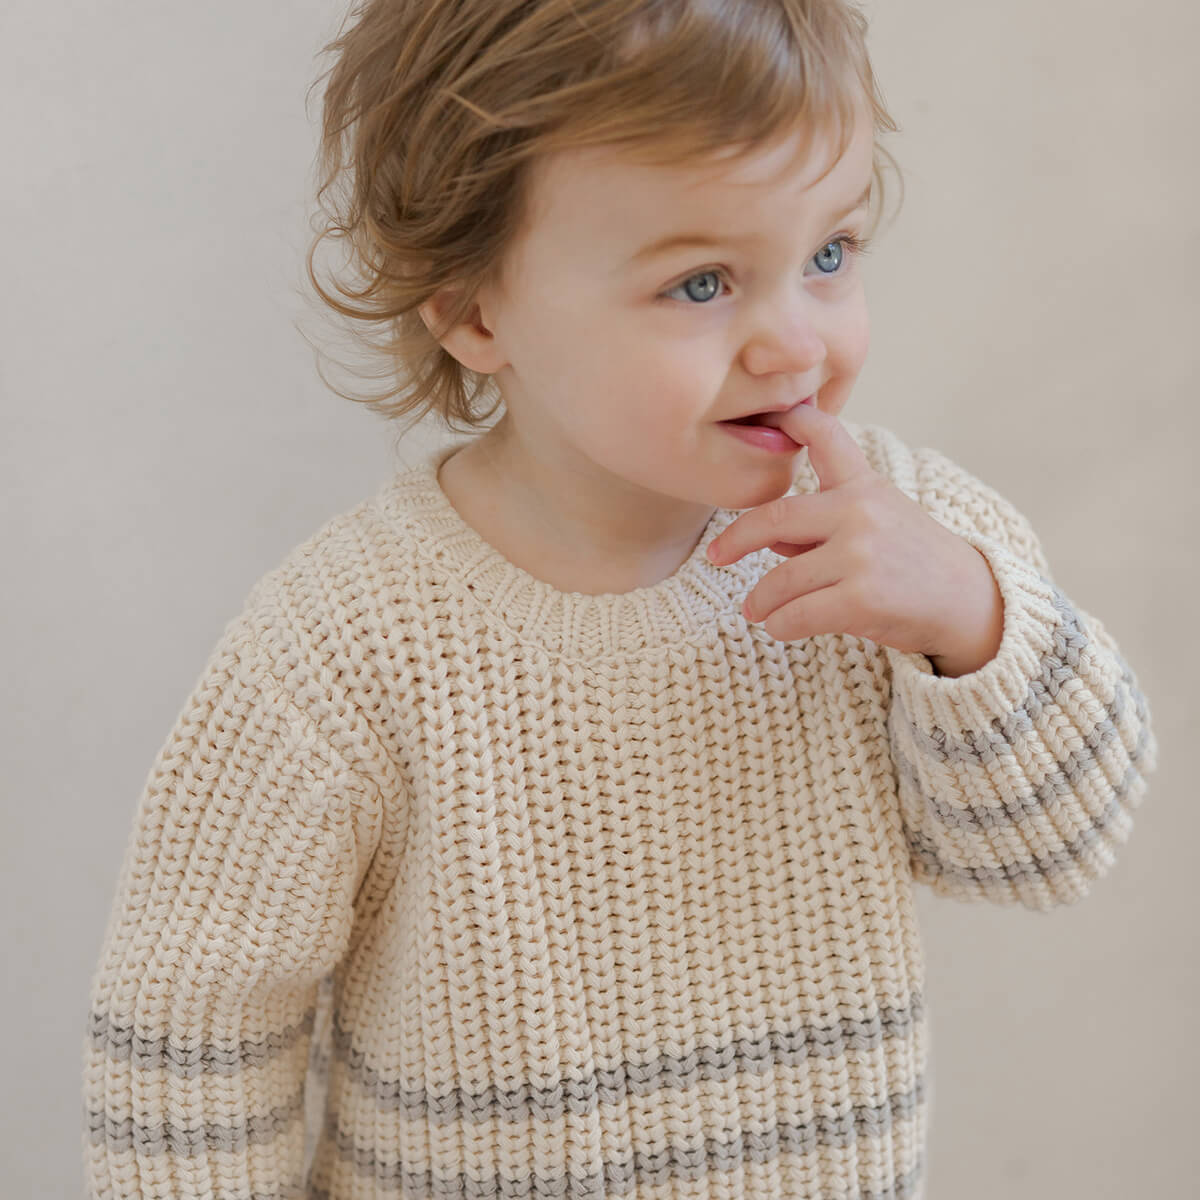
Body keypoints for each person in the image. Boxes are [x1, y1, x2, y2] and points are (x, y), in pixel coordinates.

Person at [80, 1, 1159, 1197]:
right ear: (474, 309)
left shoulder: (900, 547)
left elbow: (1052, 854)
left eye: (830, 255)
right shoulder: (348, 644)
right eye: (702, 283)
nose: (793, 345)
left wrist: (972, 626)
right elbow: (191, 1040)